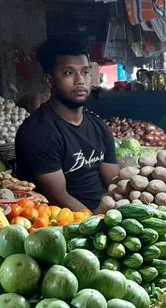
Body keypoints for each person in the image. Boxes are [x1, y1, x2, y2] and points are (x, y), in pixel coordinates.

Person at [14, 38, 118, 213]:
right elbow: (58, 196)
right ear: (49, 79)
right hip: (61, 225)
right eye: (69, 73)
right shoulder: (38, 132)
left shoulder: (99, 127)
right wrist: (97, 223)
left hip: (103, 218)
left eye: (85, 72)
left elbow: (115, 183)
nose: (80, 81)